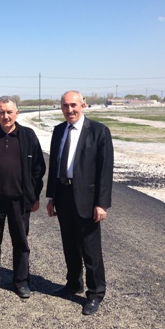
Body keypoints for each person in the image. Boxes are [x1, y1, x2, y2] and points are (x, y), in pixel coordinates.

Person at [46, 90, 114, 315]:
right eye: (65, 106)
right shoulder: (59, 130)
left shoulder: (98, 131)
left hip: (87, 198)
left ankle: (95, 294)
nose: (70, 110)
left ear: (83, 105)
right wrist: (51, 197)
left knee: (90, 249)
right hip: (63, 195)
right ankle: (73, 283)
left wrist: (102, 204)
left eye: (73, 105)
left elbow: (105, 170)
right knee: (69, 245)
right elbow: (55, 166)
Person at [0, 96, 46, 299]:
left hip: (19, 201)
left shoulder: (28, 136)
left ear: (17, 113)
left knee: (21, 243)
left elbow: (38, 168)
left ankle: (21, 282)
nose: (6, 116)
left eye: (9, 112)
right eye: (2, 112)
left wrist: (34, 196)